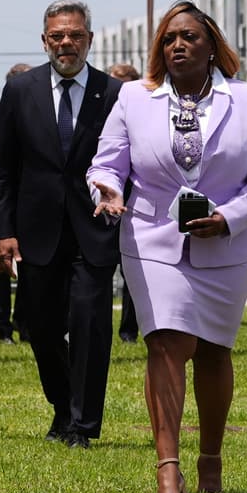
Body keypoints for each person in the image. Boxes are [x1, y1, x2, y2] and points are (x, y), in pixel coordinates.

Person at [88, 0, 247, 493]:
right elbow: (107, 162)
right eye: (169, 38)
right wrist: (106, 189)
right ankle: (167, 469)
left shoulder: (246, 101)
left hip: (228, 243)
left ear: (211, 46)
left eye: (189, 37)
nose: (178, 45)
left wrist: (230, 218)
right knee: (166, 344)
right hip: (152, 239)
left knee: (215, 352)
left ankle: (211, 459)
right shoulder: (134, 96)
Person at [0, 0, 121, 450]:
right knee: (42, 329)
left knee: (90, 325)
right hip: (36, 231)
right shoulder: (20, 91)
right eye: (57, 36)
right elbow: (4, 169)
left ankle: (83, 426)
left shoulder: (114, 93)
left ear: (89, 38)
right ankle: (63, 407)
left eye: (75, 35)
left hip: (94, 228)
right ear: (44, 40)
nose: (66, 43)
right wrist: (4, 231)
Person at [0, 63, 31, 345]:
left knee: (29, 265)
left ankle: (24, 324)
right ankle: (4, 329)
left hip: (30, 199)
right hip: (2, 197)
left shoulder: (40, 114)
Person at [108, 63, 143, 344]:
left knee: (133, 272)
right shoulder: (100, 115)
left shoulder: (144, 115)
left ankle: (129, 330)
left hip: (137, 206)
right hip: (104, 204)